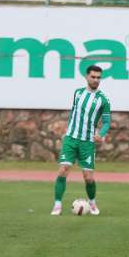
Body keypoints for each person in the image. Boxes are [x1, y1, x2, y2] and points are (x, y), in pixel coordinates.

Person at [52, 64, 111, 216]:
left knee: (88, 177)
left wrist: (101, 134)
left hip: (87, 142)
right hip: (71, 139)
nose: (96, 80)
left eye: (98, 77)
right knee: (63, 170)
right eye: (93, 77)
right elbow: (74, 113)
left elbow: (107, 122)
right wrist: (68, 130)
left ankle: (92, 202)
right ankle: (57, 205)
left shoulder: (103, 100)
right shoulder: (78, 93)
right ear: (86, 76)